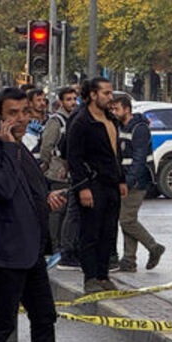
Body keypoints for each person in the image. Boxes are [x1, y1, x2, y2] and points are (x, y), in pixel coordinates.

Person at [0, 87, 94, 342]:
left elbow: (26, 188)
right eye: (13, 113)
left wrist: (45, 199)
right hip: (5, 252)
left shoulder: (21, 149)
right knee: (1, 322)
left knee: (44, 317)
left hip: (31, 251)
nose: (22, 118)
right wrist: (10, 147)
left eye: (25, 112)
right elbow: (3, 188)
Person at [66, 78, 126, 293]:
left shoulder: (110, 119)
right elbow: (73, 156)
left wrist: (121, 180)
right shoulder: (81, 121)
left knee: (108, 232)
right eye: (106, 93)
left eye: (111, 94)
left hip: (111, 184)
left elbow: (115, 153)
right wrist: (82, 186)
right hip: (92, 184)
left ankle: (103, 275)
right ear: (93, 95)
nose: (110, 98)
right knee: (90, 232)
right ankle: (90, 277)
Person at [109, 95, 164, 273]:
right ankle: (129, 260)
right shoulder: (122, 126)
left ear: (127, 109)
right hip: (126, 179)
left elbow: (139, 159)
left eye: (116, 109)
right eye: (112, 109)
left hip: (137, 181)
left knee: (126, 220)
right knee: (128, 219)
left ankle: (154, 247)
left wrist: (129, 180)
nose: (114, 112)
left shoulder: (139, 129)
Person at [42, 87, 78, 264]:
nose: (73, 102)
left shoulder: (74, 119)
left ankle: (66, 246)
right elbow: (46, 147)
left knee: (68, 213)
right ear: (61, 102)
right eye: (69, 99)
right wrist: (49, 165)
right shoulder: (56, 121)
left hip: (71, 173)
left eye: (74, 99)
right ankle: (56, 246)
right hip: (57, 173)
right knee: (57, 212)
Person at [23, 88, 48, 163]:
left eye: (44, 100)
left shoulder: (51, 120)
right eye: (38, 100)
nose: (42, 103)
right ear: (30, 103)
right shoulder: (24, 122)